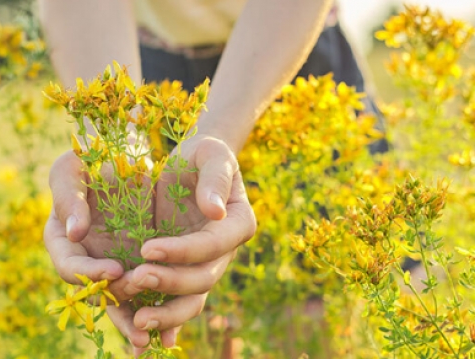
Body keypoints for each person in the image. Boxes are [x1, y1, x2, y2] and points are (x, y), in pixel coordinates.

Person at [38, 0, 384, 356]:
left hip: (289, 52)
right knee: (192, 334)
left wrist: (216, 134)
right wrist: (112, 146)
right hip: (144, 65)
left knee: (309, 326)